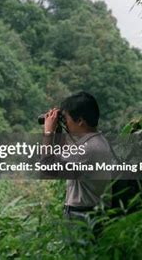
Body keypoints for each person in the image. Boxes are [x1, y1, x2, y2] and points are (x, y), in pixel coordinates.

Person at [41, 91, 113, 238]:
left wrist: (48, 132)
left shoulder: (87, 150)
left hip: (82, 217)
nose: (65, 122)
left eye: (66, 119)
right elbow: (61, 156)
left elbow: (48, 166)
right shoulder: (97, 141)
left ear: (80, 121)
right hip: (91, 214)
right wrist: (60, 130)